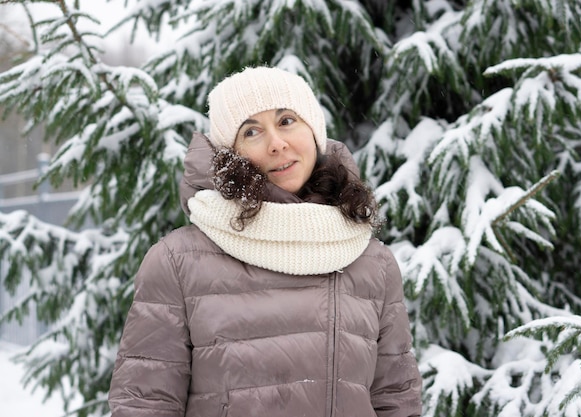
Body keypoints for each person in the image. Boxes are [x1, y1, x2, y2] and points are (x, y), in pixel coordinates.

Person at [108, 66, 422, 417]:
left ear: (314, 131)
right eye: (252, 131)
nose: (276, 143)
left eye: (287, 121)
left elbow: (395, 399)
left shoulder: (371, 261)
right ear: (231, 153)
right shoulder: (177, 261)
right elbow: (145, 403)